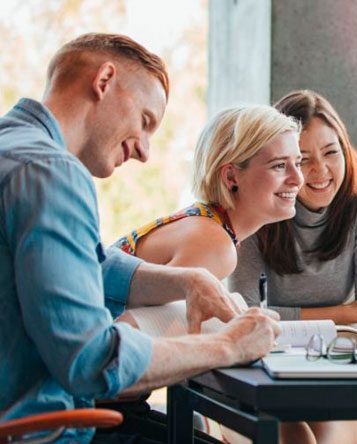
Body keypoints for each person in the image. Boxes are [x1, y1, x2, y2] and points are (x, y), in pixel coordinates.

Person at [0, 33, 281, 444]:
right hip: (40, 432)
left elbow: (89, 264)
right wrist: (229, 345)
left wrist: (187, 280)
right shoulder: (51, 172)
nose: (145, 151)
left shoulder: (14, 149)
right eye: (146, 121)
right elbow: (93, 361)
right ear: (104, 80)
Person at [228, 90, 357, 443]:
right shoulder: (256, 212)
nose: (320, 171)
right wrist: (345, 312)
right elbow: (245, 317)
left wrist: (352, 316)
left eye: (331, 152)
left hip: (332, 375)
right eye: (302, 160)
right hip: (261, 376)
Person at [113, 105, 303, 281]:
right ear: (231, 177)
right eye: (279, 165)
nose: (298, 179)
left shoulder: (209, 225)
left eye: (298, 163)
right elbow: (133, 317)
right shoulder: (215, 246)